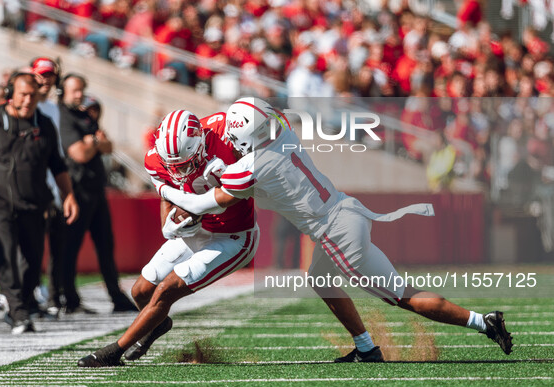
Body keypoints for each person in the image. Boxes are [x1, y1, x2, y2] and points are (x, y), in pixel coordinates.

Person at [157, 97, 513, 362]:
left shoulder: (255, 164)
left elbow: (204, 203)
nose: (231, 144)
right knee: (320, 277)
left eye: (237, 140)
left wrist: (163, 188)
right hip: (344, 213)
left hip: (336, 231)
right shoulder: (280, 133)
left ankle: (484, 322)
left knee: (401, 296)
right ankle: (366, 347)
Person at [77, 109, 258, 367]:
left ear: (200, 145)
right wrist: (169, 224)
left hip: (233, 236)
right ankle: (158, 324)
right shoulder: (156, 158)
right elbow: (168, 194)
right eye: (174, 165)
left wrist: (197, 204)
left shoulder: (227, 140)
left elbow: (228, 197)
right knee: (140, 290)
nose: (180, 170)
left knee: (166, 290)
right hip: (196, 231)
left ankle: (113, 352)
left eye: (184, 163)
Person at [0, 72, 79, 333]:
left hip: (34, 201)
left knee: (31, 258)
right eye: (22, 94)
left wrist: (68, 195)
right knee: (7, 255)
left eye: (32, 95)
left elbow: (58, 165)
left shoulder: (46, 124)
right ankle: (18, 312)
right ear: (10, 94)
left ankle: (22, 304)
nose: (28, 100)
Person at [58, 73, 136, 314]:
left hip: (96, 190)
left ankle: (116, 296)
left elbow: (108, 146)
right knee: (70, 247)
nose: (79, 94)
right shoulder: (61, 115)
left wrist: (90, 143)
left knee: (105, 245)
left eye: (81, 89)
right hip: (76, 190)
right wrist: (94, 143)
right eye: (75, 90)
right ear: (63, 91)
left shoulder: (83, 114)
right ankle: (69, 299)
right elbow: (78, 154)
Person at [31, 57, 66, 315]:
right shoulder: (25, 107)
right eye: (41, 75)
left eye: (50, 75)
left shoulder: (53, 108)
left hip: (51, 184)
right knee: (28, 242)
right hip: (30, 185)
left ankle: (50, 293)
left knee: (52, 243)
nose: (46, 80)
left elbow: (56, 153)